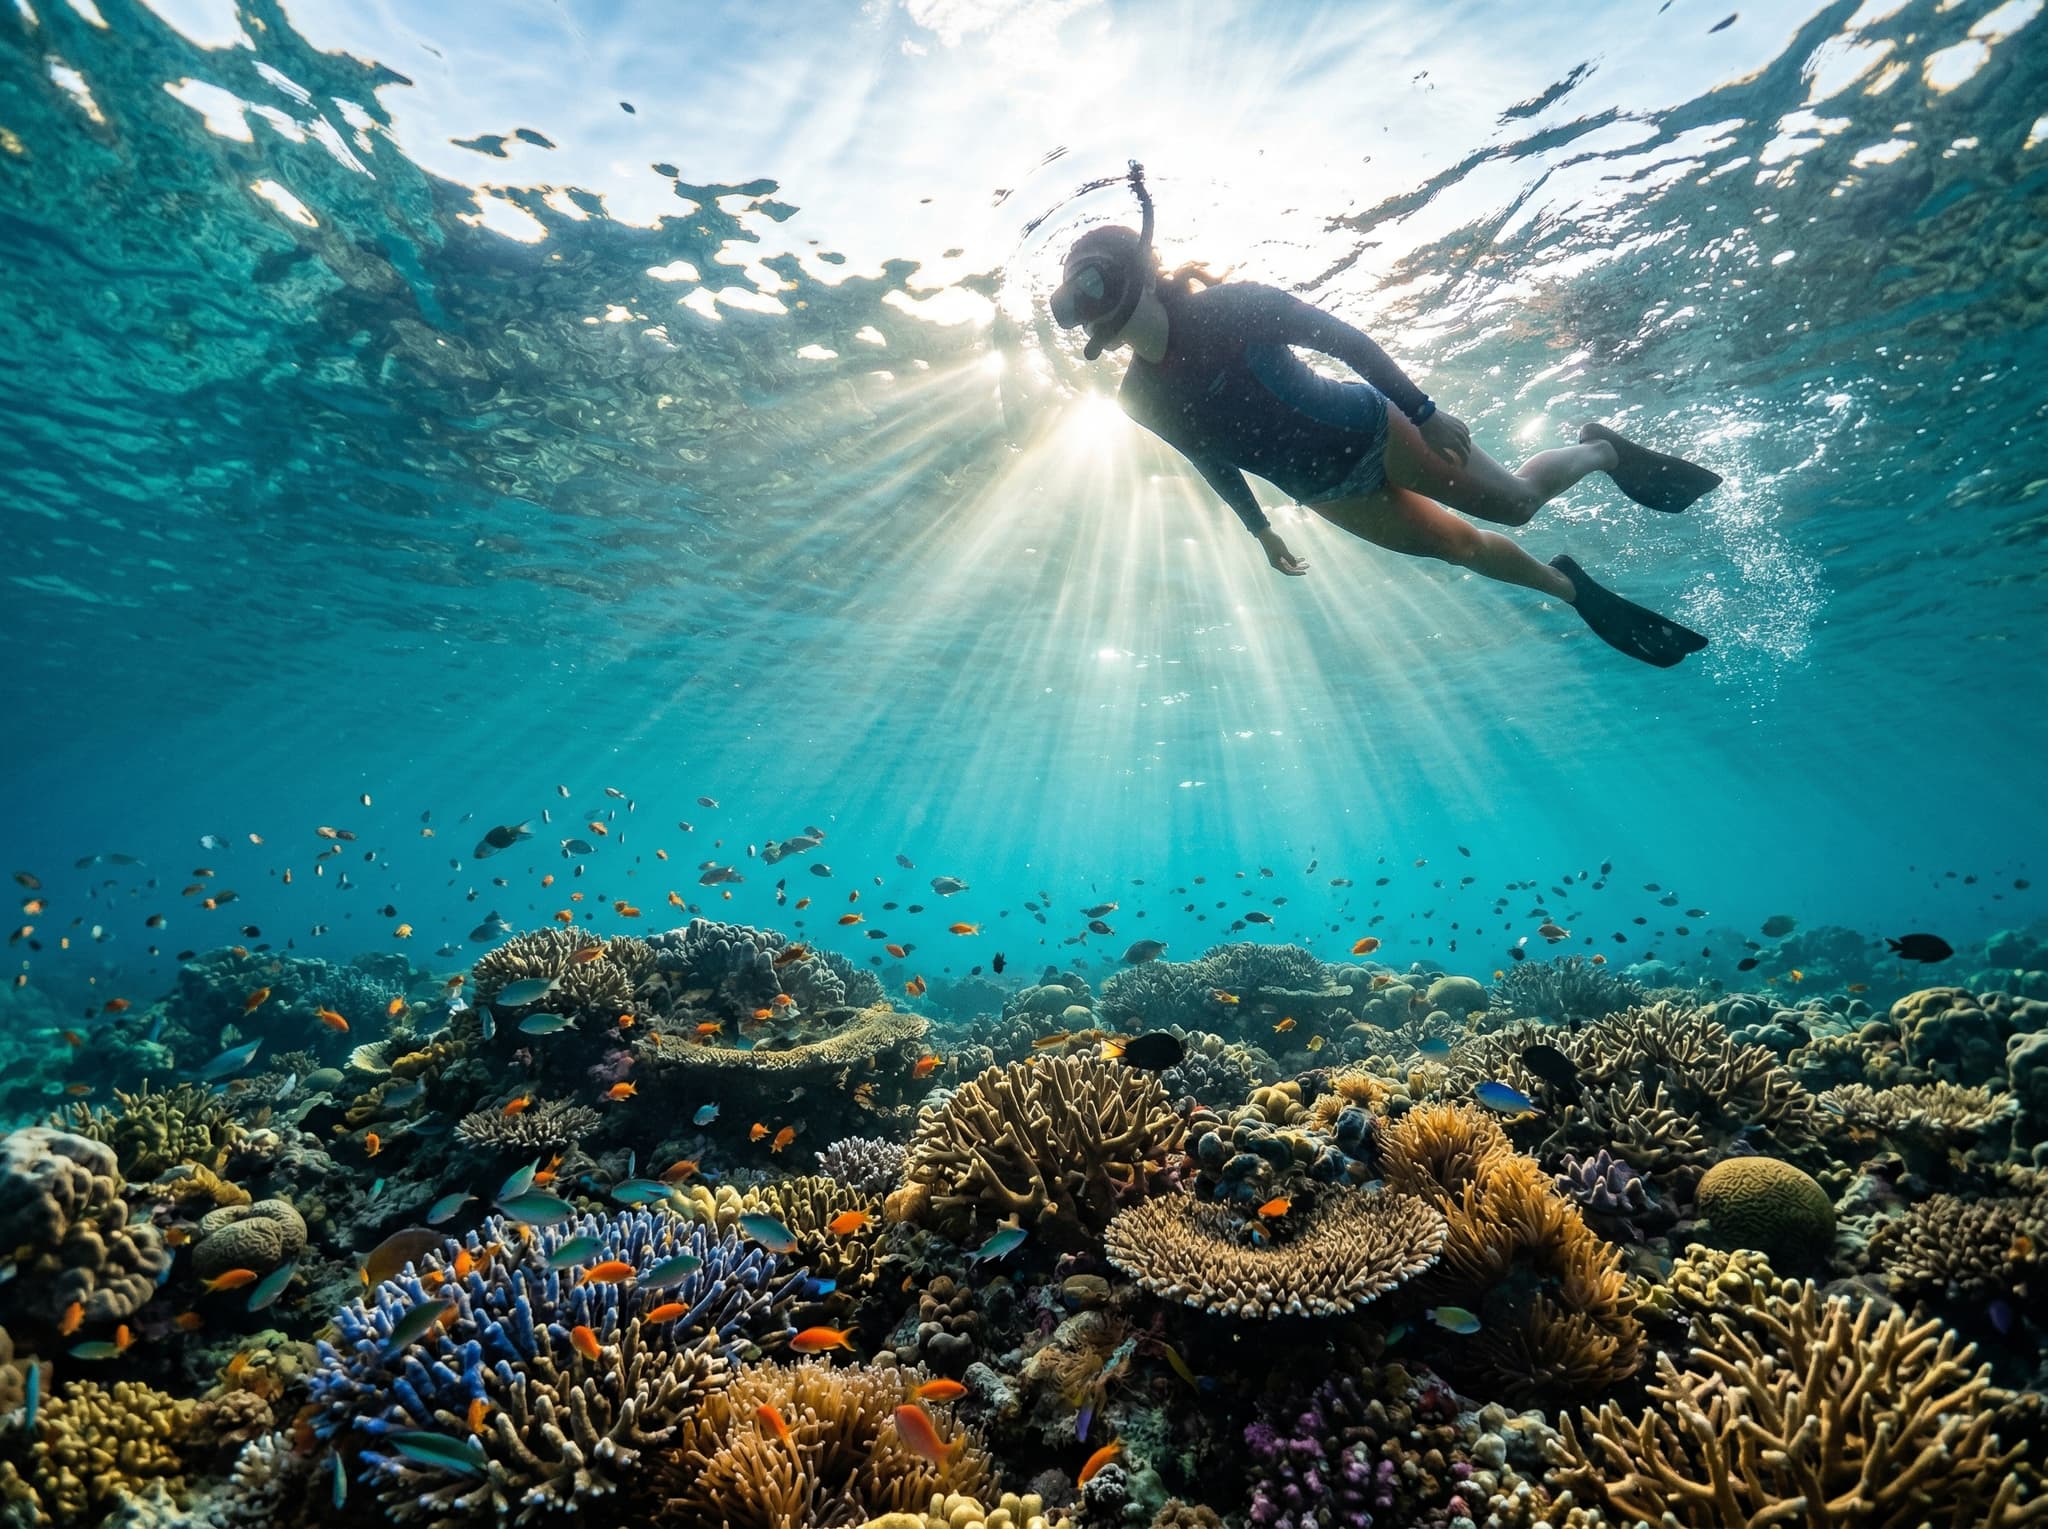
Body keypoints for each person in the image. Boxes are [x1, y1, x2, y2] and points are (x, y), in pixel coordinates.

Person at [1046, 182, 1722, 668]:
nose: (1085, 304)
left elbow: (1343, 340)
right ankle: (1576, 591)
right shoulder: (1137, 398)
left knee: (1515, 505)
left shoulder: (1231, 309)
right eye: (1074, 298)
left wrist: (1424, 412)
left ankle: (1599, 448)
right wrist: (1260, 529)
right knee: (1463, 549)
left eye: (1093, 284)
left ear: (1136, 269)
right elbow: (1207, 456)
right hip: (1325, 491)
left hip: (1374, 431)